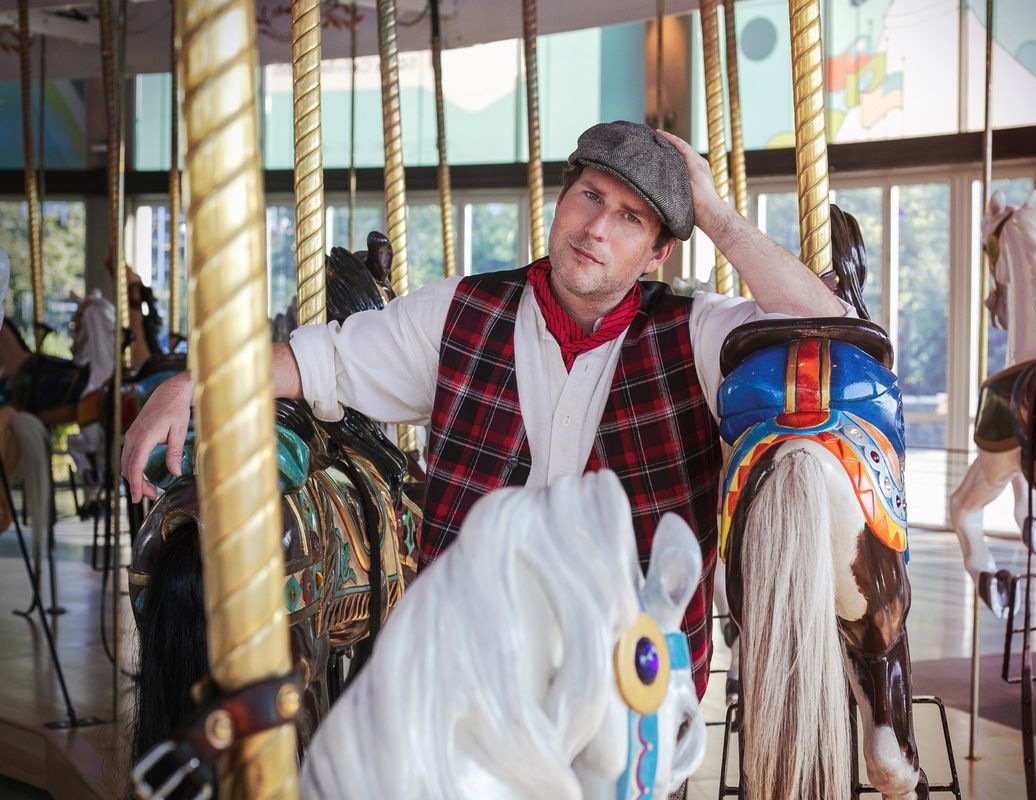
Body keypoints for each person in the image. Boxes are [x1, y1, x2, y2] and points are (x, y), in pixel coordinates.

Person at [121, 121, 848, 700]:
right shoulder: (462, 312)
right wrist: (188, 384)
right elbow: (317, 361)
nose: (596, 228)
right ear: (562, 201)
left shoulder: (693, 329)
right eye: (589, 196)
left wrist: (717, 218)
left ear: (656, 252)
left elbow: (831, 328)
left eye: (629, 218)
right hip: (471, 676)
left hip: (632, 690)